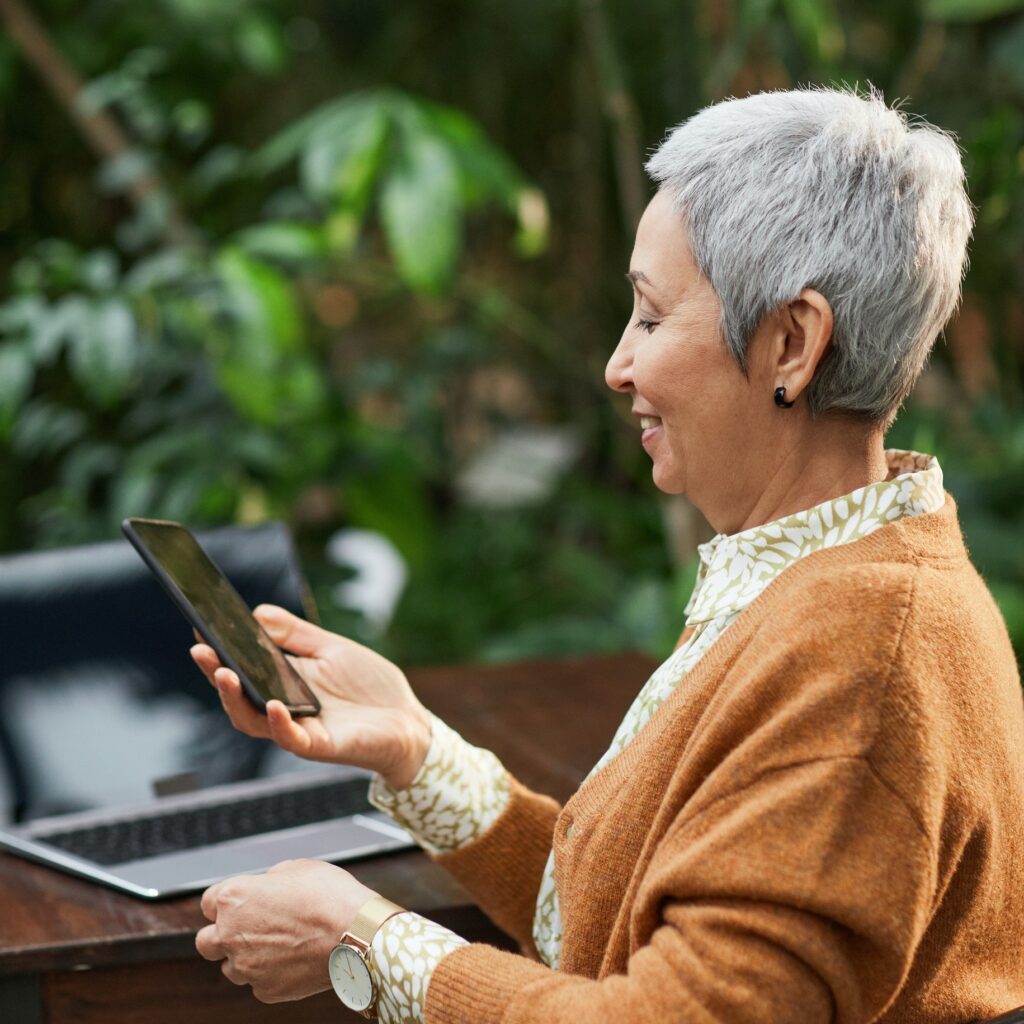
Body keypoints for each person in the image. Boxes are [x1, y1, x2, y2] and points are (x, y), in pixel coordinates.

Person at [189, 85, 1024, 1023]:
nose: (617, 364)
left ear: (793, 343)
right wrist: (416, 753)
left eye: (653, 317)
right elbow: (625, 915)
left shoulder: (864, 654)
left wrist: (368, 941)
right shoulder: (821, 579)